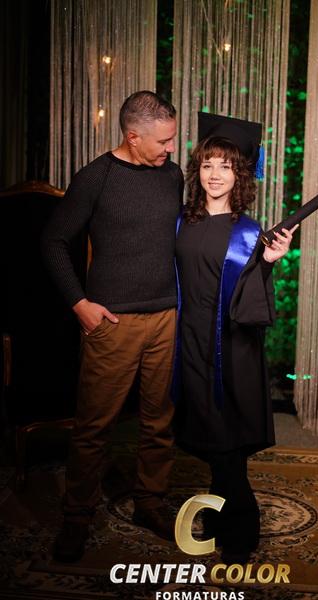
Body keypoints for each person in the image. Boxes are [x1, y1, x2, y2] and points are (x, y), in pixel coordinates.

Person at [42, 91, 183, 562]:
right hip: (113, 322)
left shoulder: (172, 175)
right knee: (94, 427)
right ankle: (77, 517)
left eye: (172, 139)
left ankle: (150, 503)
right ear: (133, 136)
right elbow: (53, 242)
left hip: (166, 317)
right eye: (163, 141)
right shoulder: (95, 177)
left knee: (160, 422)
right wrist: (79, 303)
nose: (170, 148)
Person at [173, 113, 298, 564]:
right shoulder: (182, 222)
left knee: (227, 438)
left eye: (225, 166)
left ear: (239, 174)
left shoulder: (248, 231)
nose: (214, 174)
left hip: (232, 347)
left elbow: (251, 298)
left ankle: (241, 526)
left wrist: (268, 262)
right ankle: (219, 512)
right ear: (198, 170)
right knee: (209, 434)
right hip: (190, 341)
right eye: (207, 165)